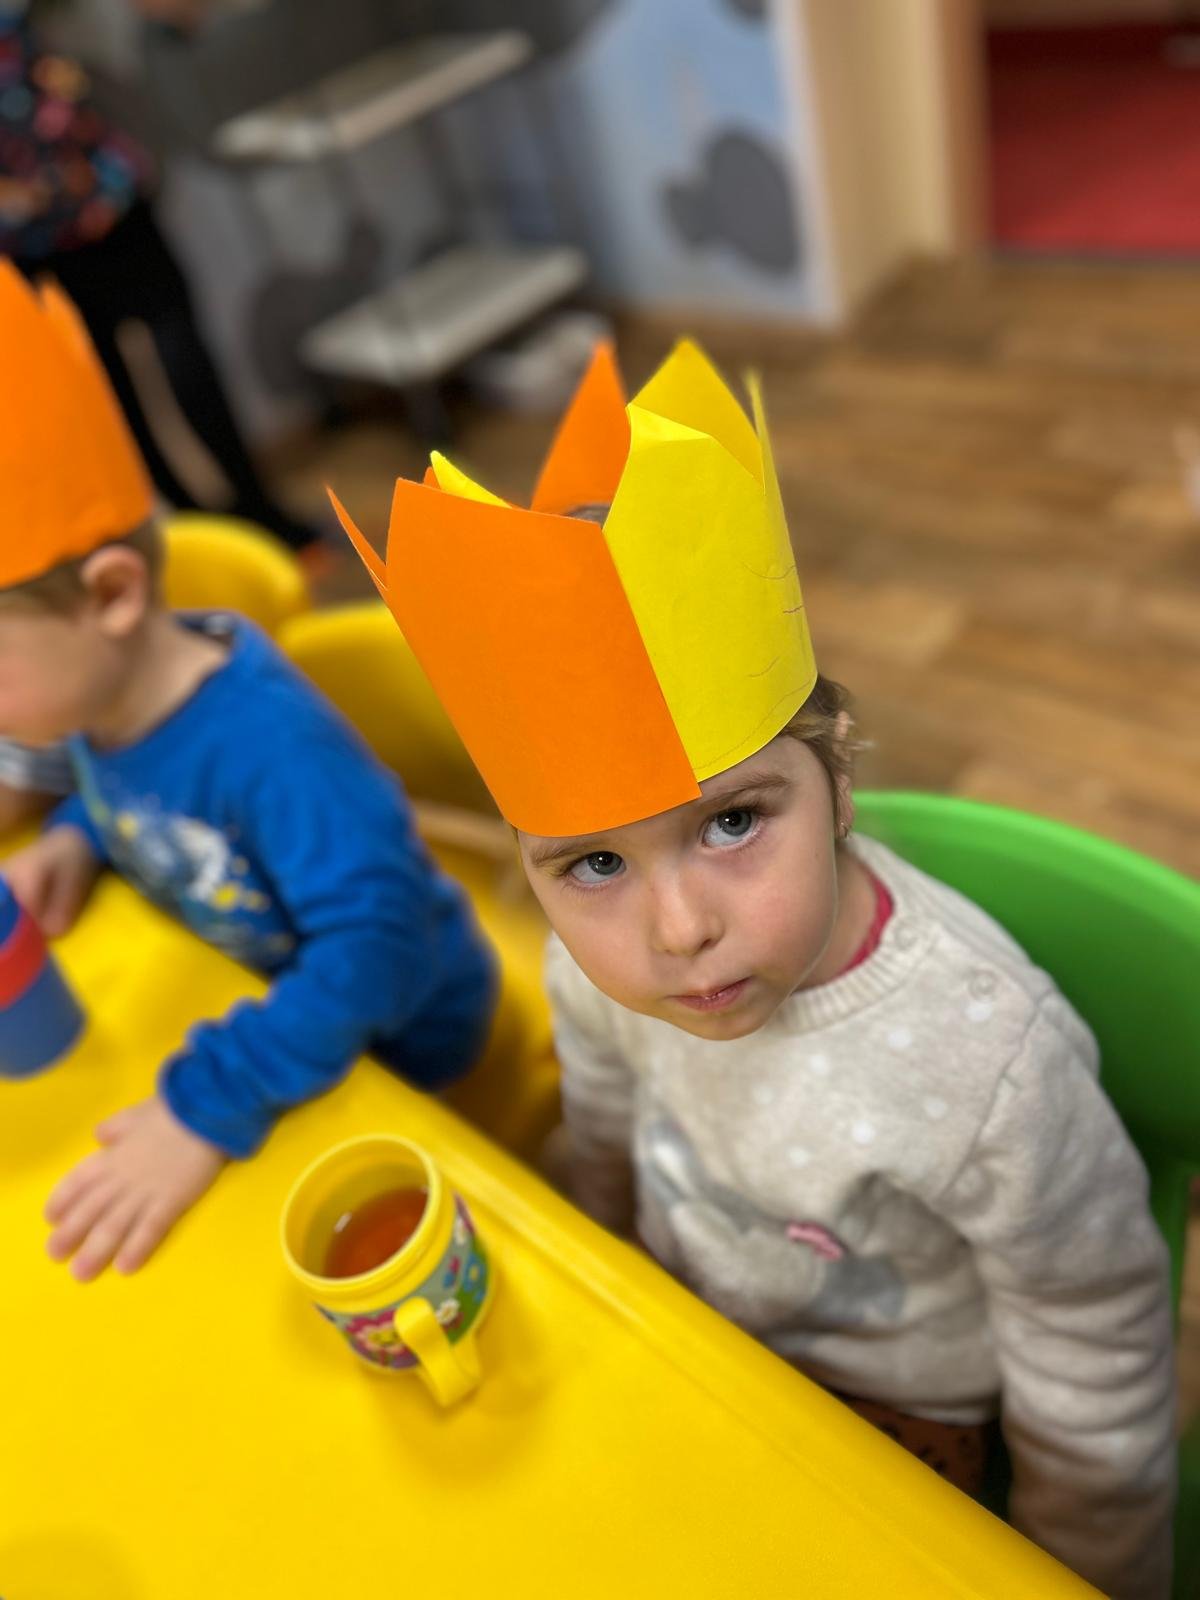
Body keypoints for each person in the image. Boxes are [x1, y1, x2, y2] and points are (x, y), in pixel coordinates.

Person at [330, 340, 1177, 1600]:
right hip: (688, 1322)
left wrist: (1083, 1563)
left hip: (899, 1408)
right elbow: (600, 1116)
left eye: (732, 821)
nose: (678, 930)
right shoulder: (594, 968)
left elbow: (1092, 1332)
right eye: (594, 864)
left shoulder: (988, 1061)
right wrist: (592, 1251)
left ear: (839, 781)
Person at [0, 262, 496, 1279]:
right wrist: (79, 837)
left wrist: (208, 1101)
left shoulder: (273, 750)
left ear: (112, 595)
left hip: (402, 1036)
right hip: (269, 1001)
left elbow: (379, 948)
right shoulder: (103, 699)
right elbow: (139, 788)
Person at [0, 0, 326, 555]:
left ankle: (235, 520)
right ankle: (214, 528)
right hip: (51, 216)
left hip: (86, 201)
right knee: (118, 384)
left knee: (154, 370)